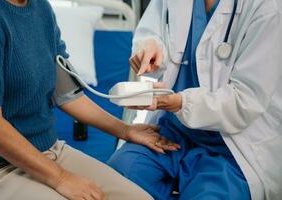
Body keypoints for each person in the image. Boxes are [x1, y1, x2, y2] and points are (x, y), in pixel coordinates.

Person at [0, 0, 181, 199]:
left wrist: (126, 130)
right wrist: (61, 178)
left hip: (46, 150)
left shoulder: (40, 9)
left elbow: (67, 94)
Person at [108, 0, 282, 199]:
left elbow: (246, 99)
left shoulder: (269, 7)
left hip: (234, 146)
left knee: (210, 195)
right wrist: (149, 47)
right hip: (172, 131)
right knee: (119, 176)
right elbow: (151, 30)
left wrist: (180, 102)